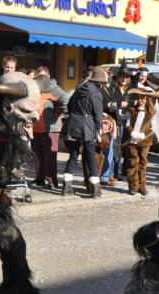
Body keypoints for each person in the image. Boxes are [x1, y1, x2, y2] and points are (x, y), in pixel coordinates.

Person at [61, 67, 107, 198]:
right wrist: (97, 131)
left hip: (72, 125)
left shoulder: (78, 89)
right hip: (87, 127)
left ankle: (66, 188)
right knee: (91, 156)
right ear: (100, 82)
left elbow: (69, 107)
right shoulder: (96, 93)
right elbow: (98, 116)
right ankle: (96, 189)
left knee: (73, 155)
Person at [31, 66, 69, 188]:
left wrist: (57, 113)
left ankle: (52, 181)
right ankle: (40, 178)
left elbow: (65, 99)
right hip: (35, 128)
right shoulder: (34, 88)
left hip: (51, 129)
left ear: (48, 76)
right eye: (39, 76)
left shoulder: (53, 87)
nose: (41, 79)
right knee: (38, 156)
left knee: (50, 157)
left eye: (44, 76)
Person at [122, 90, 155, 196]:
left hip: (145, 142)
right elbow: (127, 125)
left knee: (142, 163)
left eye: (143, 99)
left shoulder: (151, 113)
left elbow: (152, 128)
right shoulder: (132, 111)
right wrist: (132, 133)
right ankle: (133, 186)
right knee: (132, 163)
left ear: (147, 100)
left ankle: (142, 186)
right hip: (132, 141)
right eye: (139, 98)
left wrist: (144, 135)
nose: (141, 100)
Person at [102, 66, 130, 183]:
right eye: (122, 77)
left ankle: (116, 172)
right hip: (114, 121)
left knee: (121, 147)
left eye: (126, 77)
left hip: (126, 122)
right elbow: (110, 104)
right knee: (112, 148)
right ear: (117, 78)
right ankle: (110, 174)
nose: (124, 79)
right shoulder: (113, 89)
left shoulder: (129, 90)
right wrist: (117, 105)